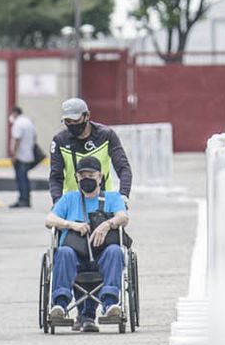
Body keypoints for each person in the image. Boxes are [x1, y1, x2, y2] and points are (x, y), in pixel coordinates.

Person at [44, 155, 128, 332]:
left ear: (100, 177)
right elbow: (49, 219)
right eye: (82, 175)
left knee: (115, 251)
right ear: (77, 178)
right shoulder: (69, 199)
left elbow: (123, 217)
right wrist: (70, 224)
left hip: (102, 254)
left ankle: (110, 304)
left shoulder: (112, 198)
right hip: (75, 255)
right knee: (64, 252)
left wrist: (107, 224)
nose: (86, 179)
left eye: (91, 175)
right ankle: (59, 305)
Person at [47, 97, 133, 201]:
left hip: (103, 199)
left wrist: (124, 194)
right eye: (68, 121)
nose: (72, 125)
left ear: (87, 115)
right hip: (73, 201)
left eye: (76, 120)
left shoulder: (106, 135)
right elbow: (56, 176)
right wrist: (57, 200)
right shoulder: (60, 140)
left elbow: (123, 167)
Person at [8, 104, 38, 209]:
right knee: (25, 178)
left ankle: (23, 200)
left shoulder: (18, 123)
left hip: (20, 156)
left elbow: (17, 139)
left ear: (15, 113)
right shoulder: (29, 122)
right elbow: (34, 137)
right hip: (28, 154)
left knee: (21, 179)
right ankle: (26, 199)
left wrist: (14, 155)